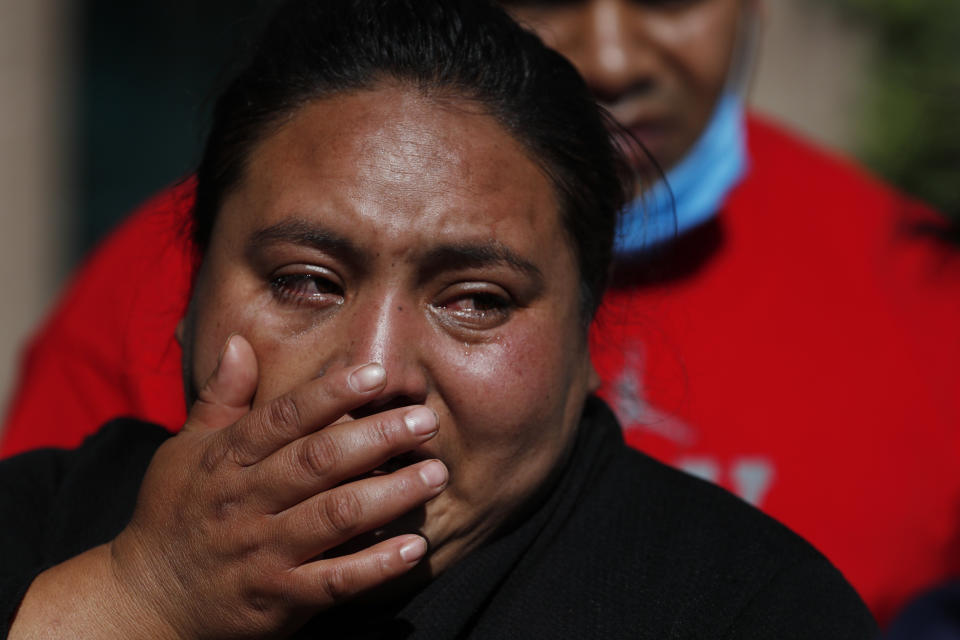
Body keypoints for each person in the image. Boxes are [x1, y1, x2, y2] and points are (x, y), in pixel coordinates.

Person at [1, 0, 957, 625]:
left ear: (589, 333)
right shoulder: (40, 528)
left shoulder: (743, 606)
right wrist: (139, 598)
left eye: (475, 302)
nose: (372, 373)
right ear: (187, 294)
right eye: (305, 282)